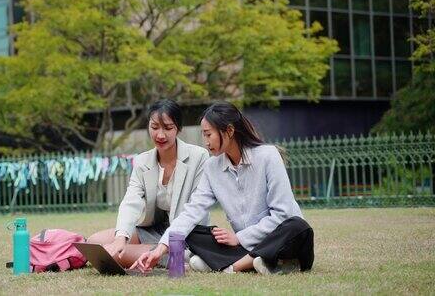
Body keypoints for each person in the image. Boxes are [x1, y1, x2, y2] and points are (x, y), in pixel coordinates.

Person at [131, 101, 314, 274]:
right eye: (204, 134)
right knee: (192, 232)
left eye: (208, 134)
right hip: (243, 246)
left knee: (298, 225)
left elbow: (283, 215)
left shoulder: (268, 156)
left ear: (229, 131)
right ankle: (262, 261)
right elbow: (191, 212)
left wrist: (240, 238)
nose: (205, 141)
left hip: (281, 240)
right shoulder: (212, 167)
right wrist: (159, 250)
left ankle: (235, 265)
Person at [87, 99, 209, 268]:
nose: (160, 135)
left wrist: (163, 245)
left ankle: (177, 257)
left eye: (167, 128)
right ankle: (167, 257)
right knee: (94, 243)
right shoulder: (142, 161)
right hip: (154, 230)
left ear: (178, 129)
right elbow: (131, 201)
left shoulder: (199, 156)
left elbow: (195, 210)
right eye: (154, 127)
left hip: (186, 235)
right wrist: (121, 238)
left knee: (111, 255)